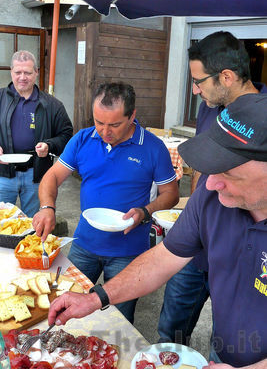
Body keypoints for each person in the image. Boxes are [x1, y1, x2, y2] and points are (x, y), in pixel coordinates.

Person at [48, 94, 267, 368]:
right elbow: (161, 259)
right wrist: (96, 298)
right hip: (222, 355)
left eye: (229, 174)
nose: (210, 184)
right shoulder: (210, 199)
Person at [33, 82, 179, 323]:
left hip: (128, 252)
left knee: (117, 321)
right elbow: (52, 176)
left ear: (132, 115)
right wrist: (47, 207)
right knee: (66, 310)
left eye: (114, 124)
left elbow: (171, 194)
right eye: (99, 122)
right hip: (84, 244)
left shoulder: (153, 147)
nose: (104, 131)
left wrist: (146, 211)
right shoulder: (83, 139)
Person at [158, 31, 267, 345]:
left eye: (199, 80)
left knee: (229, 340)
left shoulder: (263, 116)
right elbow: (206, 166)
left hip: (235, 254)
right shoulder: (209, 106)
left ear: (227, 77)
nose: (194, 90)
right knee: (170, 329)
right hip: (195, 241)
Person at [0, 50, 73, 217]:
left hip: (36, 174)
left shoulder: (53, 105)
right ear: (11, 72)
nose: (22, 77)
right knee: (1, 224)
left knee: (34, 224)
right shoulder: (0, 97)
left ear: (36, 72)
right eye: (18, 72)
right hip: (2, 174)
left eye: (27, 72)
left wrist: (50, 145)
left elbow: (67, 134)